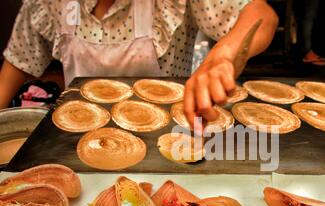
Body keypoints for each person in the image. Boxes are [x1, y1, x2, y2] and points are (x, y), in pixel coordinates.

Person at [0, 0, 278, 132]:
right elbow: (18, 62)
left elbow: (261, 15)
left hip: (167, 139)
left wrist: (223, 55)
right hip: (77, 135)